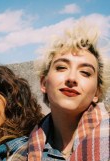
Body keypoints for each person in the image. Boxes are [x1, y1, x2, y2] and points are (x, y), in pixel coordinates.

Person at [11, 20, 110, 160]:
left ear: (97, 92)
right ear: (44, 83)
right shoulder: (21, 153)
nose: (71, 78)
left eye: (85, 72)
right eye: (61, 67)